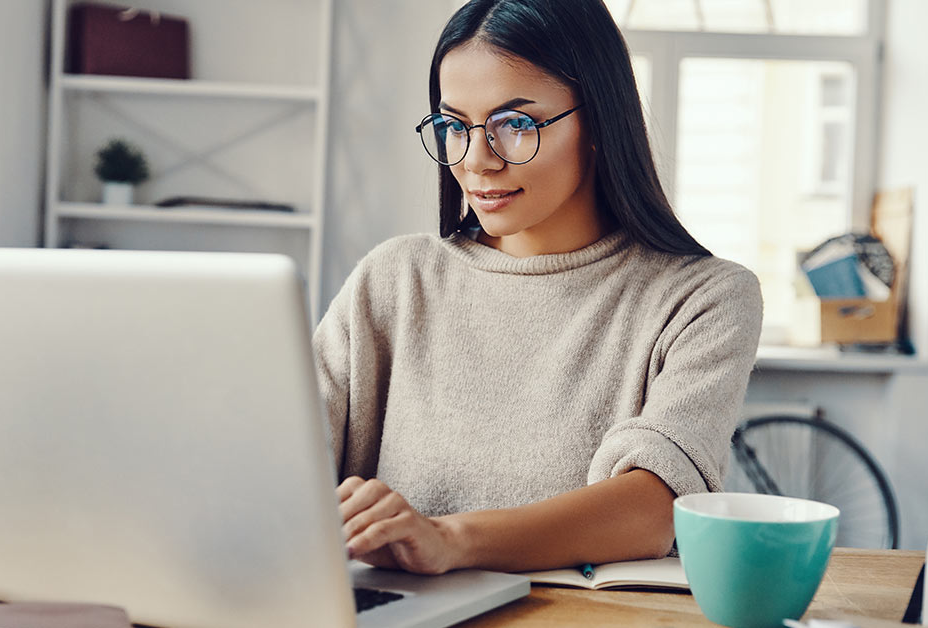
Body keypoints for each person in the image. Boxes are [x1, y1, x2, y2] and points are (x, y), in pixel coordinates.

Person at [313, 0, 763, 576]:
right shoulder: (393, 280)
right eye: (455, 126)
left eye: (514, 125)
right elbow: (283, 457)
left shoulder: (704, 298)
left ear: (599, 122)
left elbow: (653, 507)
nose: (477, 161)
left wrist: (449, 539)